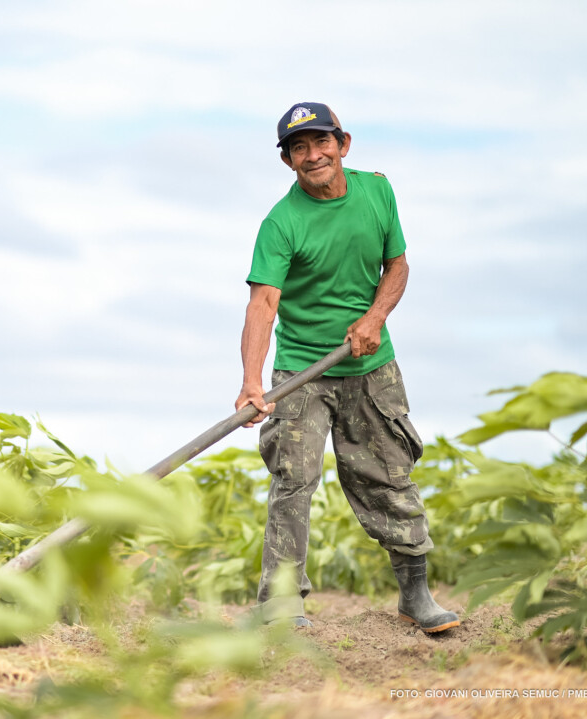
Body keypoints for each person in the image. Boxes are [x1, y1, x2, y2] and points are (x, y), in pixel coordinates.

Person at [234, 102, 459, 633]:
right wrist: (251, 380)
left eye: (321, 143)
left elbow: (397, 264)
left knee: (387, 476)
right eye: (299, 149)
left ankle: (415, 594)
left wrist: (374, 316)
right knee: (293, 480)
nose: (313, 156)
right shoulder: (281, 223)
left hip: (370, 366)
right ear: (288, 161)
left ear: (344, 143)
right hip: (302, 371)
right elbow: (263, 303)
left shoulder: (377, 192)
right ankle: (282, 601)